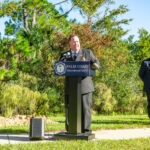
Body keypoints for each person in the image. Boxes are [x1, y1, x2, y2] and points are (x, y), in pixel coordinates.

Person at [59, 34, 100, 133]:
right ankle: (70, 129)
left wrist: (93, 66)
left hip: (85, 87)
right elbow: (59, 67)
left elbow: (97, 64)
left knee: (85, 109)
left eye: (77, 41)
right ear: (70, 43)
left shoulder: (87, 53)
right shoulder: (64, 55)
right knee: (69, 109)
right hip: (70, 87)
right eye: (74, 41)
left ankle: (86, 129)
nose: (76, 43)